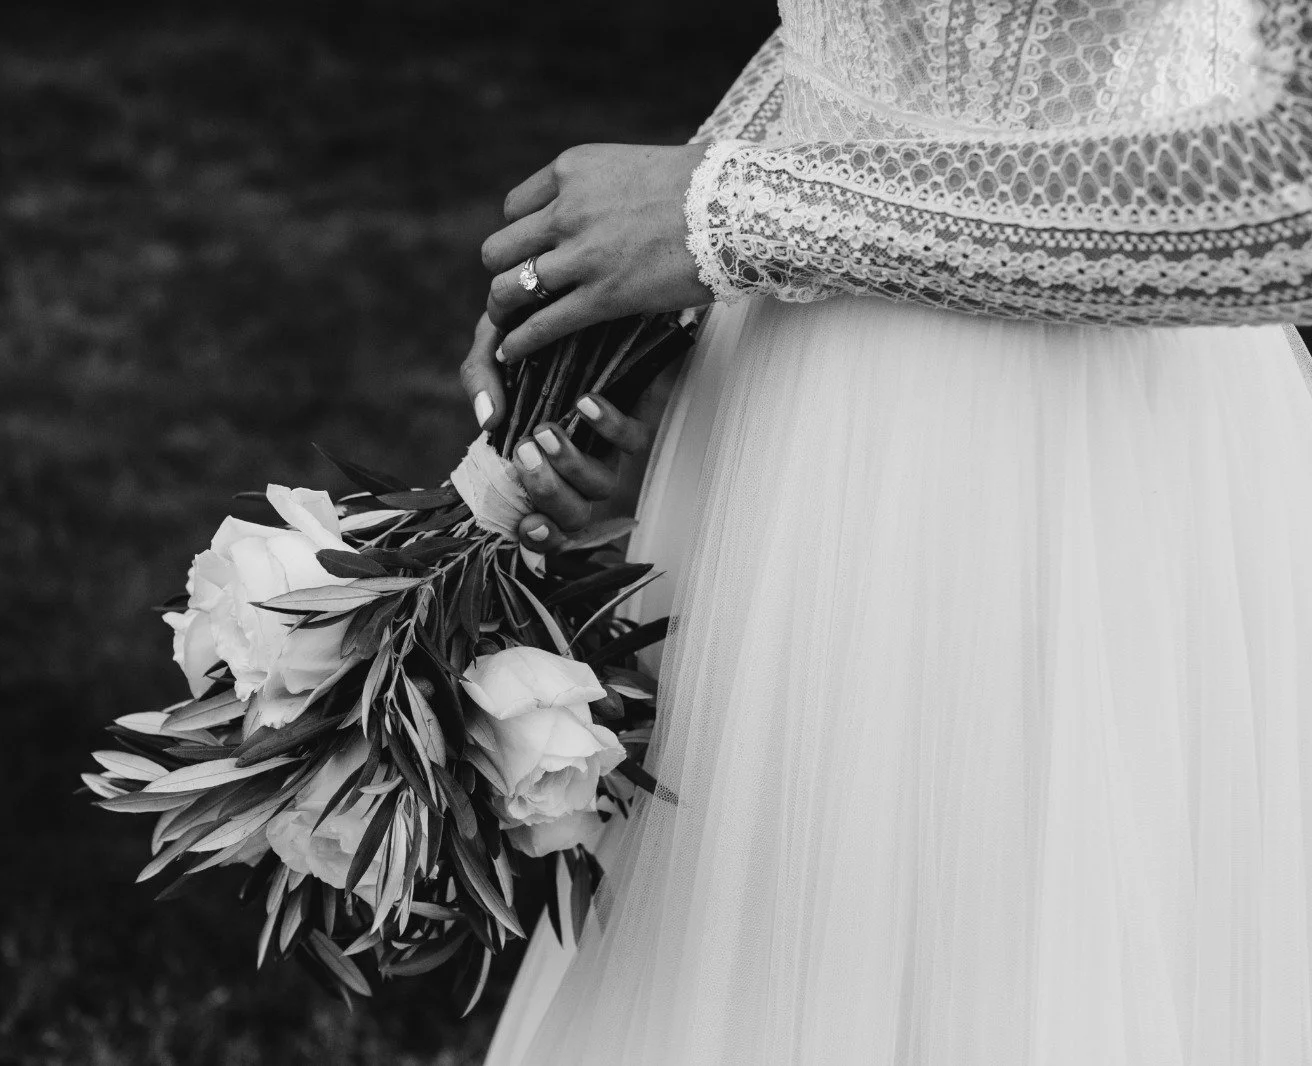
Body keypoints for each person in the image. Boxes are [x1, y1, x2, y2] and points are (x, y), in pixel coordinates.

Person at [459, 1, 1312, 1062]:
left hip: (1084, 465)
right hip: (798, 433)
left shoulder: (751, 218)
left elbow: (1291, 185)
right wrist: (622, 293)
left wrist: (725, 210)